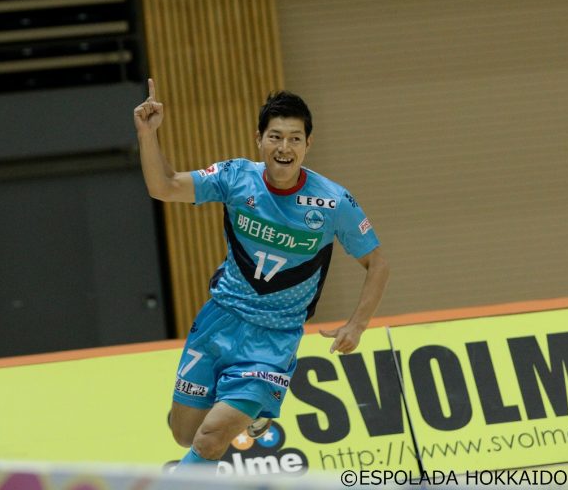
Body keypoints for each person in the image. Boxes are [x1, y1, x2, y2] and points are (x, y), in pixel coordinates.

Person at [133, 78, 389, 470]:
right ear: (259, 140)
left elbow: (378, 264)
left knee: (210, 439)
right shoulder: (236, 178)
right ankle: (252, 416)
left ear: (308, 144)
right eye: (275, 137)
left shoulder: (332, 202)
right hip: (219, 321)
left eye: (295, 139)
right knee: (185, 434)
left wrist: (357, 325)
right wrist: (147, 134)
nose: (285, 148)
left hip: (273, 340)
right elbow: (164, 186)